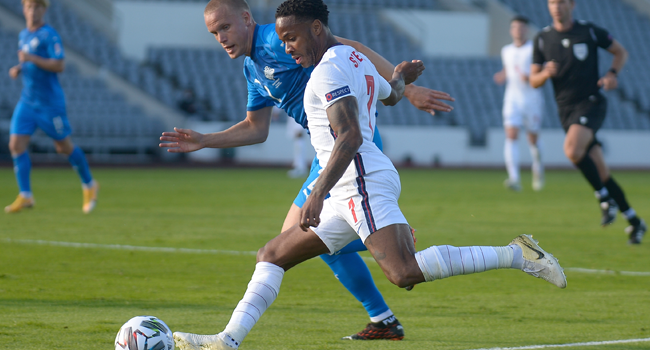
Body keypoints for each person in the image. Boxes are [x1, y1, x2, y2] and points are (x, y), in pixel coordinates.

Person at [171, 1, 567, 349]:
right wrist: (400, 83)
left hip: (354, 174)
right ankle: (227, 340)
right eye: (284, 40)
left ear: (314, 30)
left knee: (403, 273)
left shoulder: (324, 71)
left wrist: (316, 194)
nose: (288, 47)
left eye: (292, 38)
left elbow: (350, 135)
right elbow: (386, 93)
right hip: (349, 175)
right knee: (272, 254)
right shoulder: (330, 64)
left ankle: (517, 254)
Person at [160, 0, 455, 340]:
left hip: (347, 147)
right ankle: (383, 306)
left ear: (245, 18)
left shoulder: (277, 38)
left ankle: (388, 240)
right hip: (326, 153)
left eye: (225, 28)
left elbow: (349, 49)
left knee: (288, 244)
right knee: (301, 241)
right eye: (214, 33)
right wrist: (205, 140)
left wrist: (407, 89)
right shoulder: (252, 69)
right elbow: (257, 128)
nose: (221, 38)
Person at [529, 0, 646, 244]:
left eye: (561, 2)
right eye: (552, 2)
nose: (556, 7)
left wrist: (611, 74)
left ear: (572, 5)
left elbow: (620, 52)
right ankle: (635, 222)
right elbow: (533, 80)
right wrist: (544, 74)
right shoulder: (542, 39)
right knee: (601, 172)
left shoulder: (589, 31)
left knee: (572, 150)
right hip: (566, 111)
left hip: (591, 102)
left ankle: (604, 199)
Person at [5, 0, 98, 214]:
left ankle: (89, 184)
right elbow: (29, 61)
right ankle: (26, 195)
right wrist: (19, 68)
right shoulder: (23, 35)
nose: (32, 11)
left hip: (49, 105)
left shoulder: (50, 35)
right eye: (29, 7)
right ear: (24, 9)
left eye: (37, 7)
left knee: (63, 147)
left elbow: (59, 64)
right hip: (27, 101)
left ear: (44, 10)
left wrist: (30, 58)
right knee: (16, 145)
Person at [493, 15, 544, 192]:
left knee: (533, 140)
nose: (518, 30)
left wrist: (529, 77)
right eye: (515, 27)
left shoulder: (534, 49)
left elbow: (542, 72)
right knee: (511, 135)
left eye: (521, 27)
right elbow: (508, 68)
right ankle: (514, 178)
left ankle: (538, 169)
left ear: (527, 29)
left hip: (532, 99)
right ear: (511, 30)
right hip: (512, 98)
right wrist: (502, 75)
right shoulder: (506, 50)